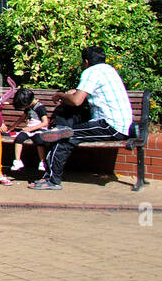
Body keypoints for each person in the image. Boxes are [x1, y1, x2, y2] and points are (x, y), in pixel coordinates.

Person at [31, 46, 133, 190]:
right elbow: (86, 94)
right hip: (121, 125)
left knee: (64, 136)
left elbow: (76, 101)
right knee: (66, 133)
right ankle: (52, 175)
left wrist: (61, 95)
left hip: (109, 126)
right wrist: (74, 93)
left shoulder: (90, 72)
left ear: (86, 61)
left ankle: (52, 180)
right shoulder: (109, 70)